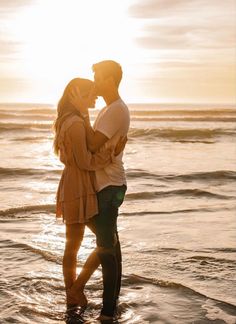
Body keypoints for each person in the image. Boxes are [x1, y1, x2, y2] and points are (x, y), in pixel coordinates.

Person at [53, 77, 125, 314]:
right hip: (79, 185)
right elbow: (85, 161)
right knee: (105, 241)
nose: (95, 97)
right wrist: (111, 156)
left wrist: (83, 112)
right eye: (91, 93)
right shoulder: (74, 123)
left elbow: (77, 151)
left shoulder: (71, 119)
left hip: (73, 182)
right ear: (78, 95)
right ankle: (75, 289)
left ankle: (71, 295)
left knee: (73, 244)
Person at [69, 60, 130, 321]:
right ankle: (112, 302)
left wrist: (81, 112)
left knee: (106, 246)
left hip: (109, 186)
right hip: (108, 184)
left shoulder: (115, 110)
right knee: (110, 244)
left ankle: (106, 312)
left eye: (97, 77)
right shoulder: (110, 109)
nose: (94, 82)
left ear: (110, 80)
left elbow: (92, 144)